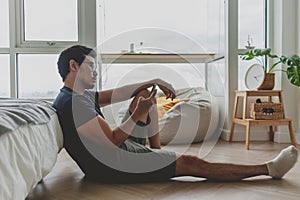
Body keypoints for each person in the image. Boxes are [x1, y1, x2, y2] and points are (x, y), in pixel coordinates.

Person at [53, 45, 298, 184]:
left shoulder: (77, 95)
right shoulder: (74, 106)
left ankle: (157, 155)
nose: (95, 73)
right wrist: (138, 114)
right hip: (113, 166)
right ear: (74, 66)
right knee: (191, 163)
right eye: (91, 66)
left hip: (118, 153)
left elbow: (118, 93)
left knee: (142, 96)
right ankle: (268, 169)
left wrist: (152, 81)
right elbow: (113, 141)